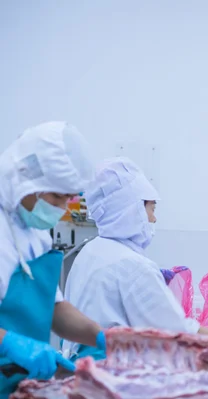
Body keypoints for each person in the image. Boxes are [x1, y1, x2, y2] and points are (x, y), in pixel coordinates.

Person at [61, 157, 208, 360]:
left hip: (79, 365)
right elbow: (179, 336)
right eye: (151, 209)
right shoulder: (134, 266)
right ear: (132, 209)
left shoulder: (90, 251)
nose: (154, 218)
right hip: (112, 371)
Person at [0, 122, 106, 395]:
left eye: (69, 198)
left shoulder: (34, 231)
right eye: (57, 197)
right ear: (25, 177)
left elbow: (54, 307)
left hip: (17, 382)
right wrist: (9, 343)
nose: (60, 208)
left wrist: (99, 335)